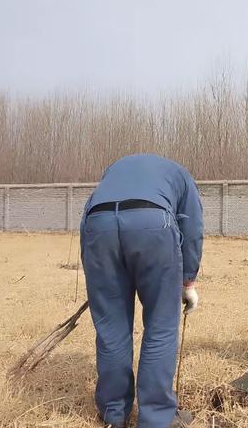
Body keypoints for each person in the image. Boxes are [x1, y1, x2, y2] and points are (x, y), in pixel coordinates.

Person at [80, 154, 203, 428]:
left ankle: (114, 414)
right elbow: (192, 229)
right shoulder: (180, 173)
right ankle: (156, 418)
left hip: (99, 228)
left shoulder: (111, 171)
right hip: (153, 225)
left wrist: (94, 268)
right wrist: (188, 282)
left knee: (111, 329)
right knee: (161, 326)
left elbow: (87, 215)